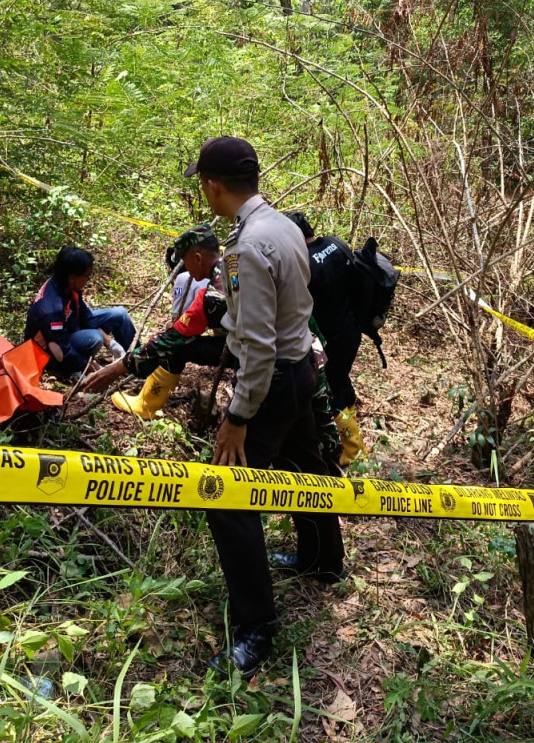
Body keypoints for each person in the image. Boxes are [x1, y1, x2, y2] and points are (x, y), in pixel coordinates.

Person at [186, 136, 345, 678]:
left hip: (274, 379)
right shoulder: (283, 226)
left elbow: (254, 344)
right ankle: (323, 562)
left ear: (213, 186)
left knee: (226, 498)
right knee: (310, 470)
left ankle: (256, 628)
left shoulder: (246, 248)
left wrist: (236, 419)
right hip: (302, 370)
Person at [98, 225, 228, 418]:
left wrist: (119, 367)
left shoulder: (212, 296)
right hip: (269, 347)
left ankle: (146, 405)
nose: (187, 270)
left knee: (176, 347)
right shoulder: (236, 264)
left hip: (258, 357)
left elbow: (173, 337)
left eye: (185, 261)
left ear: (198, 258)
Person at [284, 211, 366, 464]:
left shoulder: (304, 264)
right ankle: (354, 446)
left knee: (333, 390)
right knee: (341, 381)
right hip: (352, 329)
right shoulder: (335, 244)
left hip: (331, 340)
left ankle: (350, 452)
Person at [24, 246, 134, 381]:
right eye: (87, 276)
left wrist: (110, 343)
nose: (88, 280)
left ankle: (136, 359)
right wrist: (91, 366)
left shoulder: (68, 286)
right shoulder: (51, 309)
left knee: (119, 314)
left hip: (70, 326)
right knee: (94, 338)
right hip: (52, 352)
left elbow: (85, 315)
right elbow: (62, 351)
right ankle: (72, 370)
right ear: (72, 277)